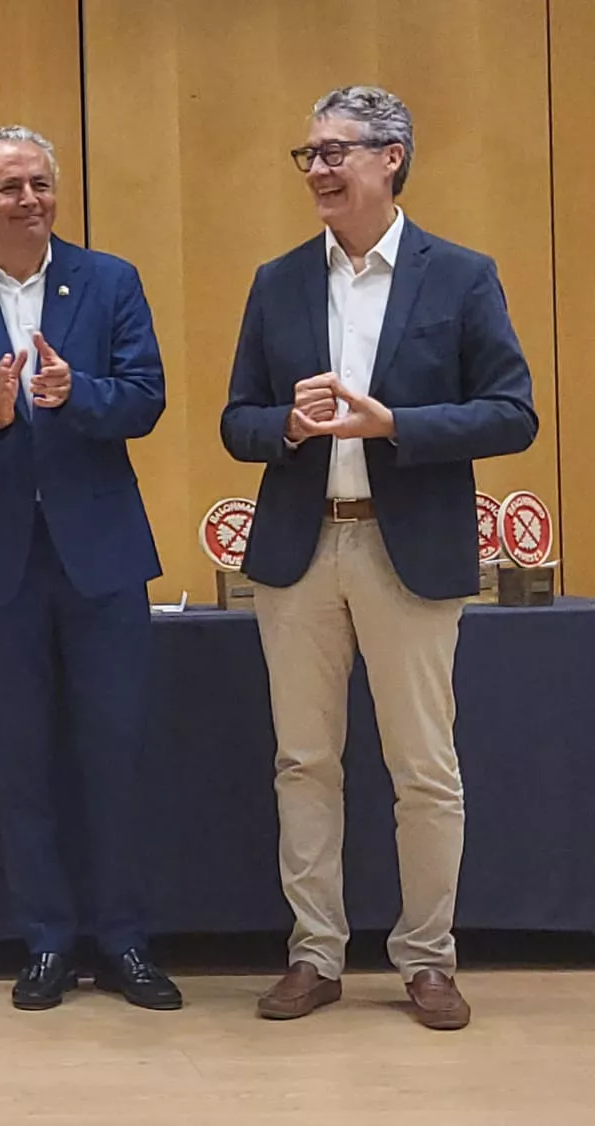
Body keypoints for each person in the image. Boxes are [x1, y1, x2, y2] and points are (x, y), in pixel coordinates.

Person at [221, 86, 537, 1031]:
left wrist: (395, 423)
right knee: (304, 762)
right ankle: (314, 953)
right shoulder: (277, 281)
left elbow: (512, 410)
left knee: (422, 767)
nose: (318, 169)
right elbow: (236, 420)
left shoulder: (461, 276)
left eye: (335, 152)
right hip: (301, 546)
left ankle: (428, 960)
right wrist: (286, 422)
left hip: (411, 548)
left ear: (391, 157)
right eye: (308, 155)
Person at [0, 125, 179, 1012]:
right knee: (19, 763)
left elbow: (147, 397)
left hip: (101, 561)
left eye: (41, 183)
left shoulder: (111, 280)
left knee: (114, 756)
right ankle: (46, 943)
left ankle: (124, 942)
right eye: (9, 186)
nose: (29, 199)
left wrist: (75, 394)